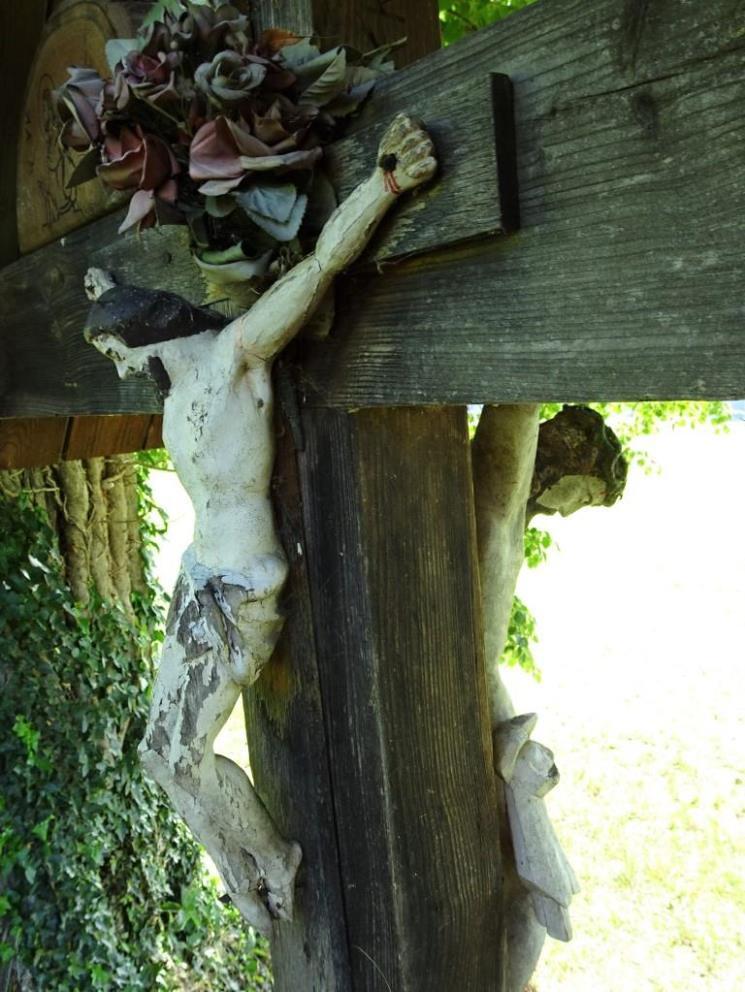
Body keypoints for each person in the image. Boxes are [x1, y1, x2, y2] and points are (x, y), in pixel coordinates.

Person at [83, 114, 437, 933]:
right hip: (199, 577)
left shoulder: (236, 357)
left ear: (142, 337)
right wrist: (101, 293)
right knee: (158, 756)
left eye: (116, 354)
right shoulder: (175, 392)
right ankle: (244, 870)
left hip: (242, 590)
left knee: (180, 757)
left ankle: (267, 866)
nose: (120, 371)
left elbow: (318, 268)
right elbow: (119, 313)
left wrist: (384, 182)